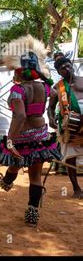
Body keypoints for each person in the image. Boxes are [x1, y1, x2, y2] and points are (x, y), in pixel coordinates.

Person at [0, 35, 62, 226]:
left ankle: (7, 181)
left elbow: (20, 116)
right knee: (35, 175)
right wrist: (49, 114)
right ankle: (32, 215)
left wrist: (10, 139)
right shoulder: (45, 88)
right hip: (40, 134)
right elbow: (55, 94)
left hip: (23, 135)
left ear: (19, 71)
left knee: (15, 163)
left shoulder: (18, 90)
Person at [48, 56, 83, 198]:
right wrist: (51, 119)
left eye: (68, 66)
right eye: (63, 68)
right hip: (69, 128)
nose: (67, 69)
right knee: (70, 157)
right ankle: (76, 189)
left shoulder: (82, 80)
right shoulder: (58, 88)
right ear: (58, 72)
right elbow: (50, 108)